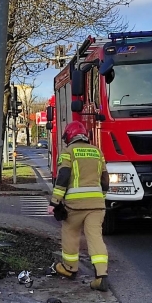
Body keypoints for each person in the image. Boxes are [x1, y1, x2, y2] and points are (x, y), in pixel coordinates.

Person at [48, 121, 110, 292]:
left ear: (70, 136)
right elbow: (105, 179)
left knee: (71, 234)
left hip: (75, 206)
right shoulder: (97, 152)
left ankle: (69, 268)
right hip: (97, 205)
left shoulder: (68, 152)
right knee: (95, 238)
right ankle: (101, 276)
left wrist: (55, 202)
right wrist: (100, 198)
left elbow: (63, 178)